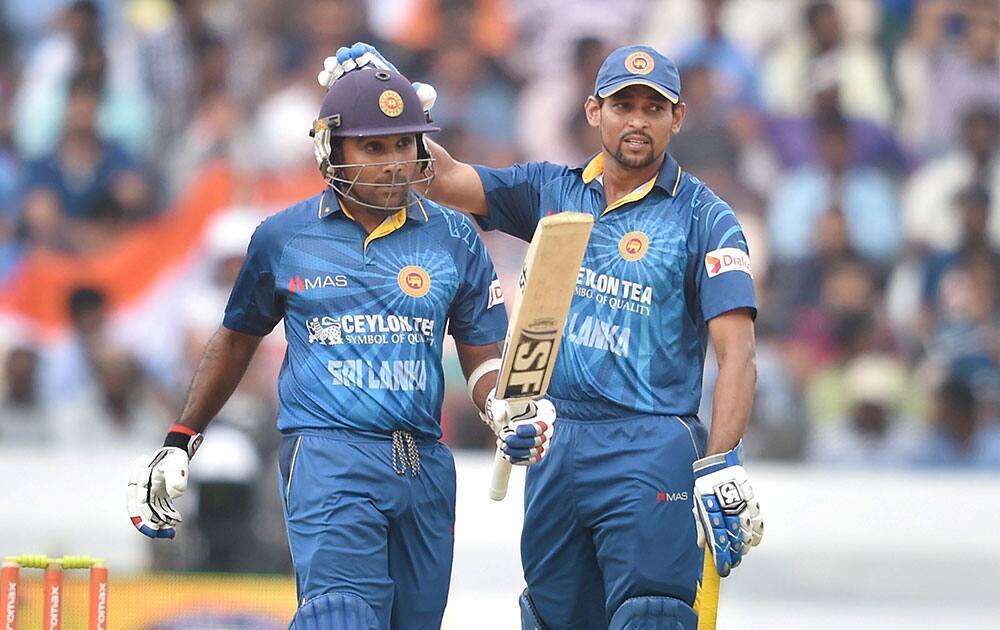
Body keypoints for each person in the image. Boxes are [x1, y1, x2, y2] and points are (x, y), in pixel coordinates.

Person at [322, 44, 764, 629]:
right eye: (623, 105)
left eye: (653, 108)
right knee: (552, 617)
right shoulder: (550, 190)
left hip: (652, 442)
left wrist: (721, 461)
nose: (637, 120)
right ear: (592, 110)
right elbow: (442, 178)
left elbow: (739, 354)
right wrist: (388, 99)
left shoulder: (707, 217)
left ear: (676, 118)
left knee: (652, 613)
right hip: (556, 441)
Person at [126, 67, 556, 629]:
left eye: (405, 143)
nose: (394, 161)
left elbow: (483, 355)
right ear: (331, 150)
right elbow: (235, 340)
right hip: (330, 454)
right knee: (342, 617)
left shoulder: (454, 236)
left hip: (423, 460)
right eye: (372, 146)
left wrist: (501, 406)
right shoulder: (284, 236)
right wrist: (181, 439)